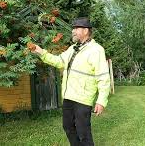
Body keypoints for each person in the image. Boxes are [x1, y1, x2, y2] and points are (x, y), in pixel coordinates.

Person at [31, 17, 110, 146]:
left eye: (76, 28)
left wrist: (101, 101)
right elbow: (59, 61)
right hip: (68, 97)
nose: (73, 31)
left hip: (83, 98)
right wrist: (41, 52)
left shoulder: (96, 50)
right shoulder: (73, 48)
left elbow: (103, 77)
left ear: (85, 31)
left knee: (83, 133)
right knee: (67, 127)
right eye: (73, 28)